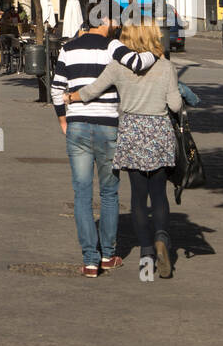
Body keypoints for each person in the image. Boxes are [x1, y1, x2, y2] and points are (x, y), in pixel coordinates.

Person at [65, 19, 184, 278]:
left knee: (139, 199)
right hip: (159, 133)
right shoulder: (165, 66)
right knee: (159, 195)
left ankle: (146, 256)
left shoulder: (118, 66)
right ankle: (162, 237)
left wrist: (71, 96)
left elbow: (92, 90)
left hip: (131, 132)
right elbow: (175, 105)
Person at [50, 0, 158, 277]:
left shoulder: (68, 48)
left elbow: (56, 88)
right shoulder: (113, 46)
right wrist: (156, 53)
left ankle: (89, 260)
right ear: (107, 20)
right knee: (109, 193)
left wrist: (63, 118)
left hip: (77, 128)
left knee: (82, 194)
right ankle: (108, 255)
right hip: (109, 127)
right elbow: (138, 63)